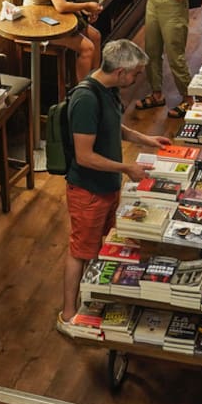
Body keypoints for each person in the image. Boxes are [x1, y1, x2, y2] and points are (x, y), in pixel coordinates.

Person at [57, 39, 170, 330]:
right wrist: (126, 168)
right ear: (121, 72)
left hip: (107, 186)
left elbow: (112, 126)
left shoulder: (107, 91)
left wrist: (147, 140)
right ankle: (68, 315)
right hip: (88, 190)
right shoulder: (86, 99)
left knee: (99, 245)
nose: (137, 79)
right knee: (81, 250)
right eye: (135, 74)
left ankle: (93, 296)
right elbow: (84, 156)